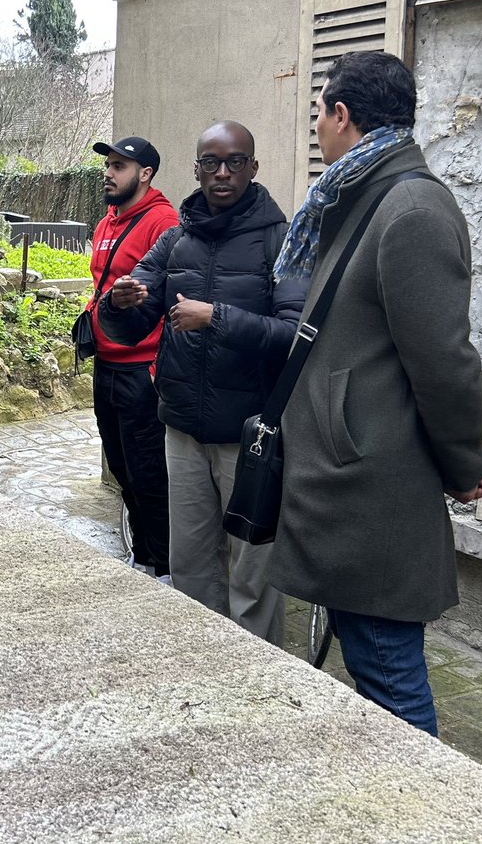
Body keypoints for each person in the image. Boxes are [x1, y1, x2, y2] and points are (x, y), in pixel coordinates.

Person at [269, 51, 482, 735]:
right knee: (375, 671)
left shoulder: (412, 206)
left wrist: (463, 462)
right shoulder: (365, 193)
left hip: (368, 488)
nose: (314, 127)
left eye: (317, 113)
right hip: (349, 480)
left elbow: (445, 361)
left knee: (390, 680)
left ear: (342, 114)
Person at [98, 121, 306, 646]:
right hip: (183, 430)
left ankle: (260, 679)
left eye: (234, 161)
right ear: (195, 169)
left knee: (251, 574)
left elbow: (294, 337)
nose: (221, 172)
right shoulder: (176, 239)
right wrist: (118, 303)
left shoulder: (282, 241)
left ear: (252, 168)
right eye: (210, 162)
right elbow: (128, 320)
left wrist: (216, 317)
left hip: (250, 436)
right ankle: (202, 670)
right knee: (190, 568)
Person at [86, 136, 179, 581]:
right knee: (122, 469)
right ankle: (142, 555)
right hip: (106, 363)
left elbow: (168, 294)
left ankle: (160, 567)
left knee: (148, 474)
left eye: (120, 166)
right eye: (108, 164)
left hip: (142, 369)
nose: (109, 172)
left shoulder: (163, 222)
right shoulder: (108, 220)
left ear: (145, 174)